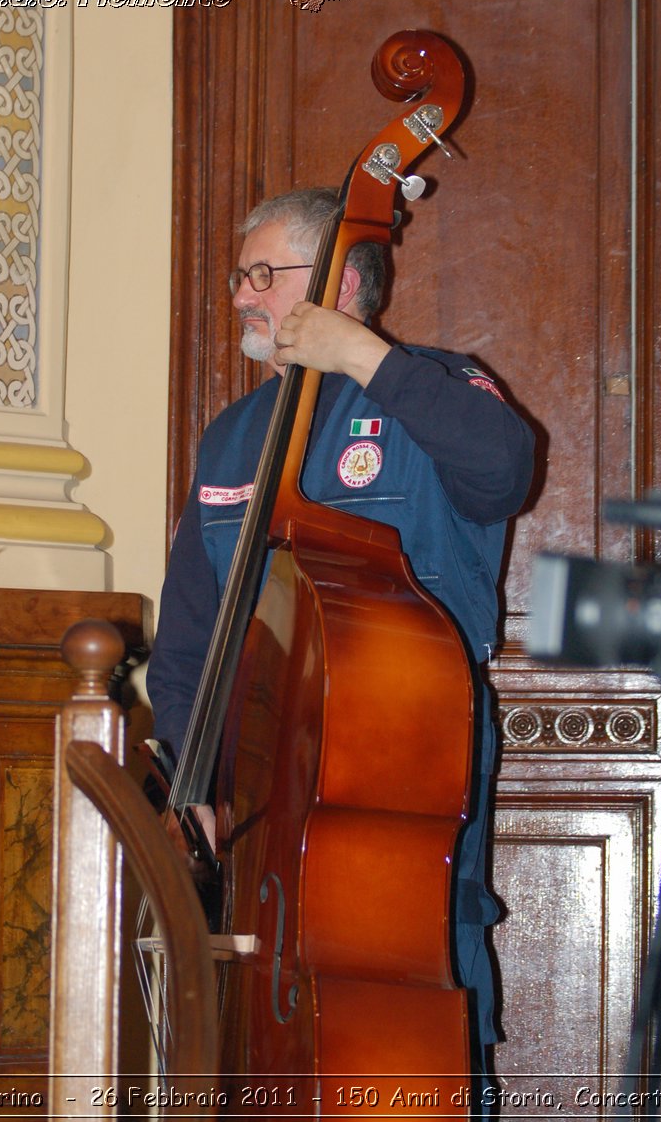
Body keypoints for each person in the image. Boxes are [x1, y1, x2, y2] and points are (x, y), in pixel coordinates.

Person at [147, 186, 535, 1078]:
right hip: (251, 806)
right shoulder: (231, 439)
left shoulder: (435, 390)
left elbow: (503, 471)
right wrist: (189, 778)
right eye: (238, 276)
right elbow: (189, 645)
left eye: (262, 275)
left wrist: (363, 357)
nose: (241, 295)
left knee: (408, 1013)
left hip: (394, 784)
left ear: (340, 282)